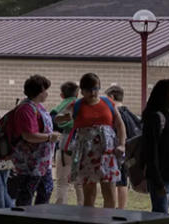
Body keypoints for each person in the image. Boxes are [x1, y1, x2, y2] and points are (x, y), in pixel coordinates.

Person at [59, 73, 126, 208]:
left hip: (107, 152)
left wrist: (122, 144)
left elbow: (120, 124)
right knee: (89, 192)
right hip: (86, 153)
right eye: (89, 90)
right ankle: (91, 223)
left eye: (96, 88)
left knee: (109, 191)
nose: (93, 93)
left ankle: (109, 222)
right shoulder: (77, 105)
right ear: (82, 91)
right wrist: (64, 117)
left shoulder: (108, 102)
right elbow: (58, 117)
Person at [7, 74, 60, 206]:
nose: (47, 93)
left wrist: (58, 120)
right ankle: (24, 222)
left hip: (42, 162)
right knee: (26, 194)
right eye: (45, 90)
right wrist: (49, 137)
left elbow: (41, 125)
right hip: (30, 164)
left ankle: (39, 219)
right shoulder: (26, 109)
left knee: (46, 190)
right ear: (39, 92)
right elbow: (28, 135)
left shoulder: (38, 106)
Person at [142, 79, 169, 214]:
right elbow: (151, 151)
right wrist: (158, 182)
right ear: (161, 95)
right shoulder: (156, 118)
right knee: (161, 217)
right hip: (162, 179)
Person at [105, 85, 142, 209]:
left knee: (114, 182)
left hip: (116, 153)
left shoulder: (115, 113)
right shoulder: (129, 113)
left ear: (112, 97)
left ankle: (113, 209)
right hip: (129, 153)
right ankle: (122, 209)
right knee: (123, 182)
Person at [49, 81, 82, 205]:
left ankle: (60, 208)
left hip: (64, 146)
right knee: (80, 183)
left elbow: (52, 123)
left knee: (62, 182)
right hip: (81, 146)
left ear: (61, 95)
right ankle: (84, 210)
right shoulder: (82, 105)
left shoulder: (59, 108)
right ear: (78, 93)